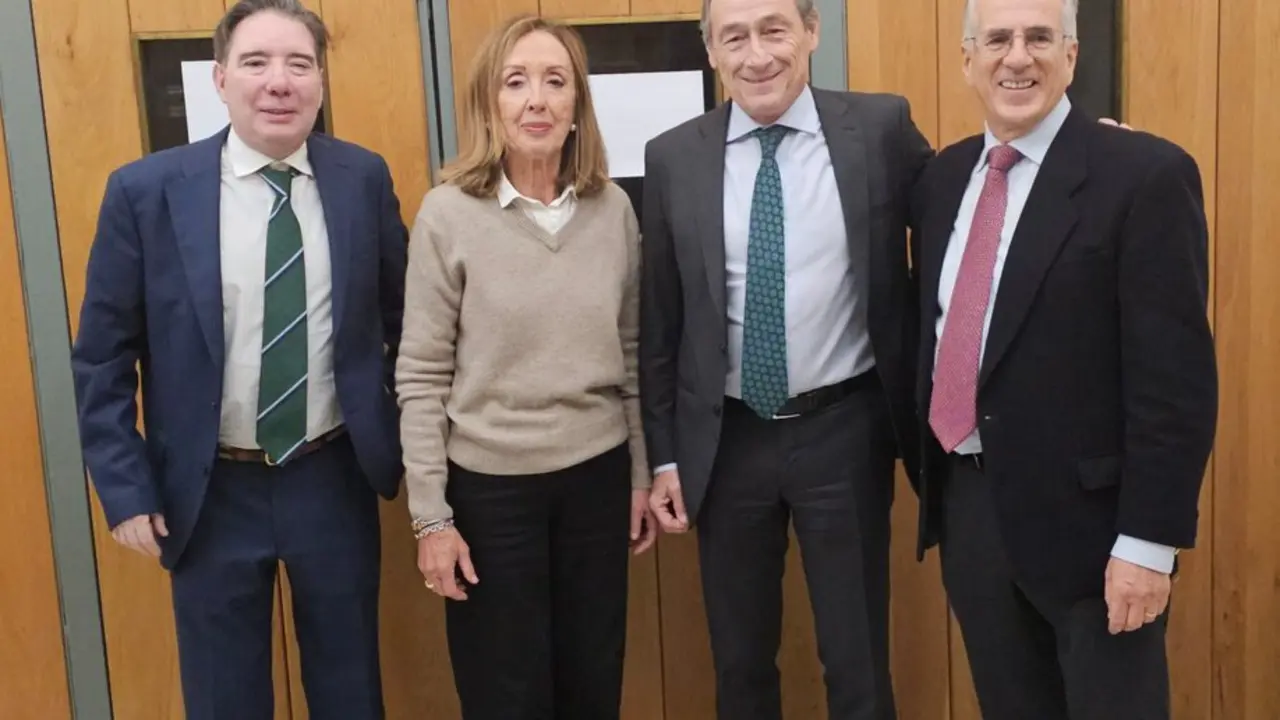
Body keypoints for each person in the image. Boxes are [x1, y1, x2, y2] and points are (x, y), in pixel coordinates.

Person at [69, 1, 407, 717]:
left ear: (320, 80)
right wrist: (126, 489)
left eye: (298, 63)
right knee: (225, 700)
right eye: (256, 62)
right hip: (208, 491)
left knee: (351, 694)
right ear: (220, 80)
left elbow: (408, 322)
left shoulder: (362, 180)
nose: (278, 82)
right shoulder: (146, 192)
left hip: (332, 477)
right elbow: (101, 360)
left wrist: (400, 439)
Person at [910, 0, 1218, 717]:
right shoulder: (941, 181)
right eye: (997, 40)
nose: (1017, 57)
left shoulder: (1143, 175)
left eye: (1039, 38)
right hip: (973, 514)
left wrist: (1148, 543)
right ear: (968, 61)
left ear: (1071, 56)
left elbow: (1174, 383)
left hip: (1096, 534)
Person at [640, 0, 933, 717]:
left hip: (845, 430)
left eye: (774, 30)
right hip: (727, 438)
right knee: (740, 662)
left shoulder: (881, 128)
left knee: (856, 658)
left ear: (811, 33)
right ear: (710, 51)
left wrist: (1077, 159)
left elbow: (960, 205)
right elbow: (660, 319)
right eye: (733, 37)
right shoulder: (674, 156)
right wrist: (666, 457)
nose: (756, 55)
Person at [395, 15, 656, 720]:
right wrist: (431, 519)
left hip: (596, 485)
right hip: (488, 497)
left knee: (592, 685)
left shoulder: (613, 211)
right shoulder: (447, 216)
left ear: (577, 106)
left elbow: (631, 358)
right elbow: (420, 376)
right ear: (490, 103)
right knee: (504, 696)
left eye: (554, 81)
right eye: (516, 82)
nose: (536, 100)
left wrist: (637, 476)